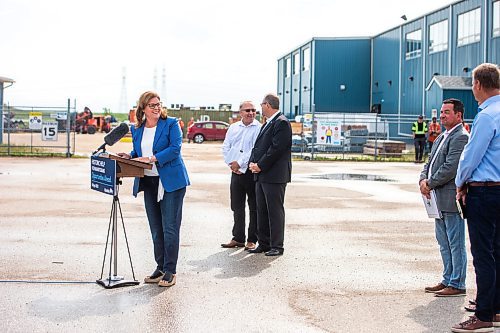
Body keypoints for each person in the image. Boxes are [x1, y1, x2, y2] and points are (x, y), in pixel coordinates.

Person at [118, 91, 190, 288]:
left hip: (171, 183)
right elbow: (139, 152)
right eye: (152, 105)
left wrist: (152, 159)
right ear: (143, 109)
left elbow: (175, 149)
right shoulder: (138, 129)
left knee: (170, 228)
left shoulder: (171, 124)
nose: (157, 108)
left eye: (158, 104)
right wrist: (130, 156)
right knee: (156, 229)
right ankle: (159, 268)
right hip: (148, 182)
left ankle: (170, 270)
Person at [452, 63, 500, 332]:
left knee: (483, 254)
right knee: (497, 251)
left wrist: (460, 183)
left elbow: (471, 156)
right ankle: (495, 308)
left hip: (483, 190)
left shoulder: (486, 116)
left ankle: (482, 314)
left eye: (472, 84)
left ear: (479, 84)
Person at [419, 98, 469, 297]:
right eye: (441, 112)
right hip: (437, 201)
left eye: (447, 112)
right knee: (443, 241)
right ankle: (448, 278)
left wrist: (430, 183)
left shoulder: (461, 137)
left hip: (449, 198)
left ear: (458, 115)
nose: (442, 115)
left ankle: (457, 283)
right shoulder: (441, 137)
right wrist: (423, 179)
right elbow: (429, 162)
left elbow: (451, 168)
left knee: (455, 242)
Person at [248, 93, 292, 256]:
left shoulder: (281, 122)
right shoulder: (268, 123)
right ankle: (264, 243)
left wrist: (260, 165)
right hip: (262, 175)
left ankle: (277, 246)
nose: (260, 108)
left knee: (274, 211)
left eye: (261, 105)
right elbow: (259, 146)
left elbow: (276, 149)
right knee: (262, 210)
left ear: (267, 105)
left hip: (274, 176)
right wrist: (253, 163)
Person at [220, 101, 261, 250]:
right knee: (236, 206)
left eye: (253, 110)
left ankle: (252, 239)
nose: (250, 113)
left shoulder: (258, 128)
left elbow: (254, 150)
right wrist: (231, 164)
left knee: (253, 207)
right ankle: (238, 238)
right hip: (235, 172)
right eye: (247, 110)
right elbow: (226, 147)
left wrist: (240, 164)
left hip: (250, 172)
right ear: (240, 112)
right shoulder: (233, 127)